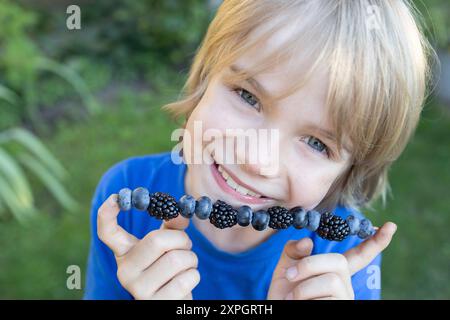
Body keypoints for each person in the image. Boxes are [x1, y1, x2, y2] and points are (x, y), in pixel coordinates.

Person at [84, 0, 433, 300]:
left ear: (348, 174)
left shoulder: (342, 257)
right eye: (248, 97)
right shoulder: (125, 201)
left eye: (316, 143)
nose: (256, 160)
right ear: (207, 76)